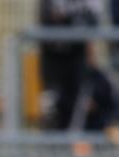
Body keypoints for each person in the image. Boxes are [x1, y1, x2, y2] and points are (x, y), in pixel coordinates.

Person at [38, 0, 102, 130]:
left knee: (77, 109)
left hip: (76, 58)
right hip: (52, 60)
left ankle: (72, 145)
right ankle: (51, 146)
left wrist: (66, 20)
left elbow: (93, 22)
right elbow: (46, 19)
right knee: (52, 109)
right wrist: (70, 21)